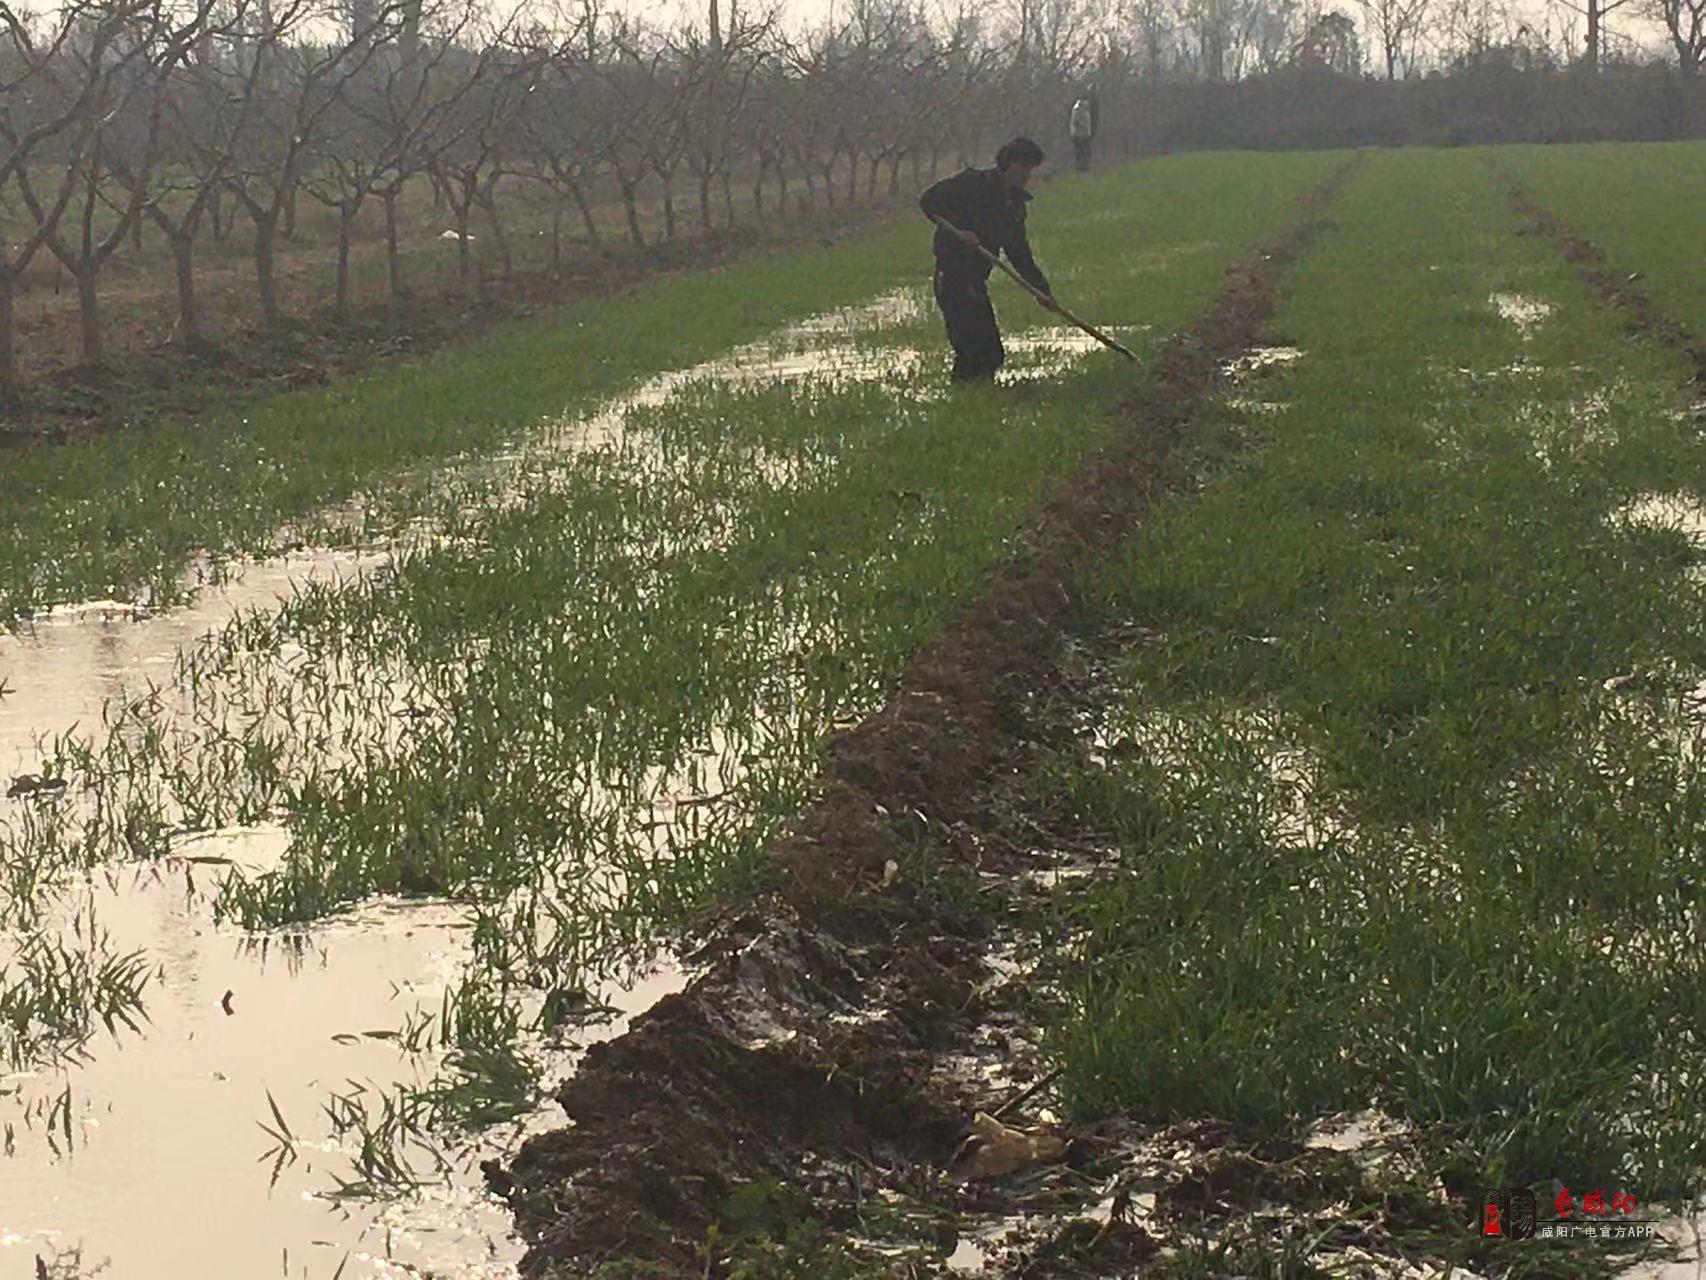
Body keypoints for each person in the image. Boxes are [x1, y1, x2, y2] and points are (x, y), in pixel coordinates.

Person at [917, 137, 1059, 385]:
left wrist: (1041, 290)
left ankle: (980, 395)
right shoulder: (972, 184)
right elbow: (929, 201)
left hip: (975, 281)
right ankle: (964, 399)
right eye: (1023, 167)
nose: (1026, 175)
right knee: (970, 351)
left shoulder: (1013, 206)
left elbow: (1019, 254)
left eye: (1030, 169)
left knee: (991, 353)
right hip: (951, 276)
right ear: (1008, 163)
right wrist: (960, 230)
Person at [1070, 97, 1094, 172]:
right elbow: (1076, 121)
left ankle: (1085, 167)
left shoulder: (1086, 110)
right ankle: (1080, 168)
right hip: (1079, 135)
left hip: (1085, 135)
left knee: (1086, 152)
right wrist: (1084, 127)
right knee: (1080, 152)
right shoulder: (1077, 110)